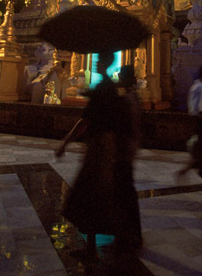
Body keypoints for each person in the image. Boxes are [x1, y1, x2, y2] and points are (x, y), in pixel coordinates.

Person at [55, 50, 120, 263]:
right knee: (94, 194)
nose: (96, 63)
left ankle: (94, 246)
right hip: (103, 145)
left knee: (89, 194)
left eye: (99, 60)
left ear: (106, 63)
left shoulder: (103, 89)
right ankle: (94, 245)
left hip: (99, 146)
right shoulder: (109, 89)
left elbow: (85, 120)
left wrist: (65, 142)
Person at [114, 64, 143, 254]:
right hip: (129, 148)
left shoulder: (128, 99)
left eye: (121, 76)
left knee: (124, 192)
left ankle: (128, 233)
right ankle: (130, 232)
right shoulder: (133, 97)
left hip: (125, 149)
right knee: (126, 192)